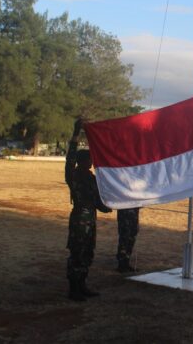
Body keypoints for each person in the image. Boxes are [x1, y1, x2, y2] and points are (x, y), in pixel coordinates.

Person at [65, 119, 112, 302]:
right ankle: (73, 288)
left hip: (90, 219)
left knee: (88, 253)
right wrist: (77, 132)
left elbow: (97, 201)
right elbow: (70, 156)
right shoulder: (73, 175)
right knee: (77, 253)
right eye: (89, 159)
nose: (92, 162)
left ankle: (82, 284)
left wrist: (105, 208)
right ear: (81, 161)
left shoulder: (92, 179)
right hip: (79, 219)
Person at [116, 207, 140, 273]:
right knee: (124, 241)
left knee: (131, 240)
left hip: (134, 218)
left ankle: (126, 263)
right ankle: (121, 265)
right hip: (124, 218)